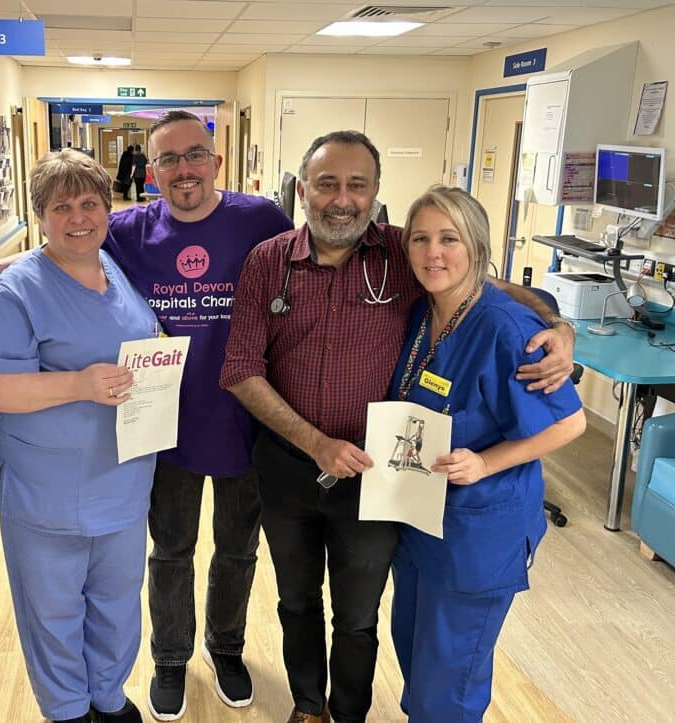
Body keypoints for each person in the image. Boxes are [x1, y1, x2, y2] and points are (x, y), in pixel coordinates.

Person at [219, 130, 575, 723]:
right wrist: (313, 441)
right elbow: (239, 369)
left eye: (357, 185)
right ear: (302, 188)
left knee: (359, 614)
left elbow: (481, 282)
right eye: (327, 183)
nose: (342, 199)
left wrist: (558, 325)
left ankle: (350, 712)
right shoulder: (268, 261)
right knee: (296, 600)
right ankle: (309, 706)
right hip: (288, 466)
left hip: (379, 475)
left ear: (375, 192)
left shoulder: (399, 254)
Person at [104, 110, 293, 721]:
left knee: (238, 550)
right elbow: (49, 257)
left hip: (248, 417)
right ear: (149, 170)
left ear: (216, 162)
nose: (182, 169)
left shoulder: (262, 220)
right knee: (170, 551)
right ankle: (169, 658)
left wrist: (543, 314)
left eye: (194, 155)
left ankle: (227, 647)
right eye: (167, 159)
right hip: (165, 423)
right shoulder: (125, 230)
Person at [387, 186, 585, 721]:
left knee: (447, 686)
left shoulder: (506, 328)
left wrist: (486, 463)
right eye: (421, 239)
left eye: (449, 239)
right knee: (413, 652)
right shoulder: (422, 314)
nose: (434, 254)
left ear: (476, 245)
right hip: (421, 517)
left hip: (477, 532)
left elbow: (572, 421)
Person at [0, 148, 157, 723]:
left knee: (115, 603)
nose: (78, 217)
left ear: (108, 209)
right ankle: (68, 711)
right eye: (62, 207)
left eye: (89, 203)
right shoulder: (17, 292)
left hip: (123, 481)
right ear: (40, 215)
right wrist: (78, 385)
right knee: (53, 612)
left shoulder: (113, 269)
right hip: (48, 492)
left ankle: (108, 699)